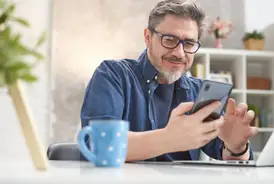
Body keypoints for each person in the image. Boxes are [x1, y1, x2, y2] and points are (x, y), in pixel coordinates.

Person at [80, 0, 258, 162]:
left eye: (188, 43)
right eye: (169, 40)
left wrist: (236, 147)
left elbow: (225, 154)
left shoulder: (198, 92)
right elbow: (100, 145)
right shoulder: (113, 75)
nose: (179, 53)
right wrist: (169, 139)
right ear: (148, 38)